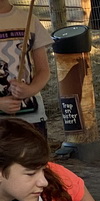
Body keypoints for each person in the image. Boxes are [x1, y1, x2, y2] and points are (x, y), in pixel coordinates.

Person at [0, 0, 51, 135]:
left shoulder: (29, 20)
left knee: (34, 156)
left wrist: (30, 90)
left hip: (31, 117)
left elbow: (43, 70)